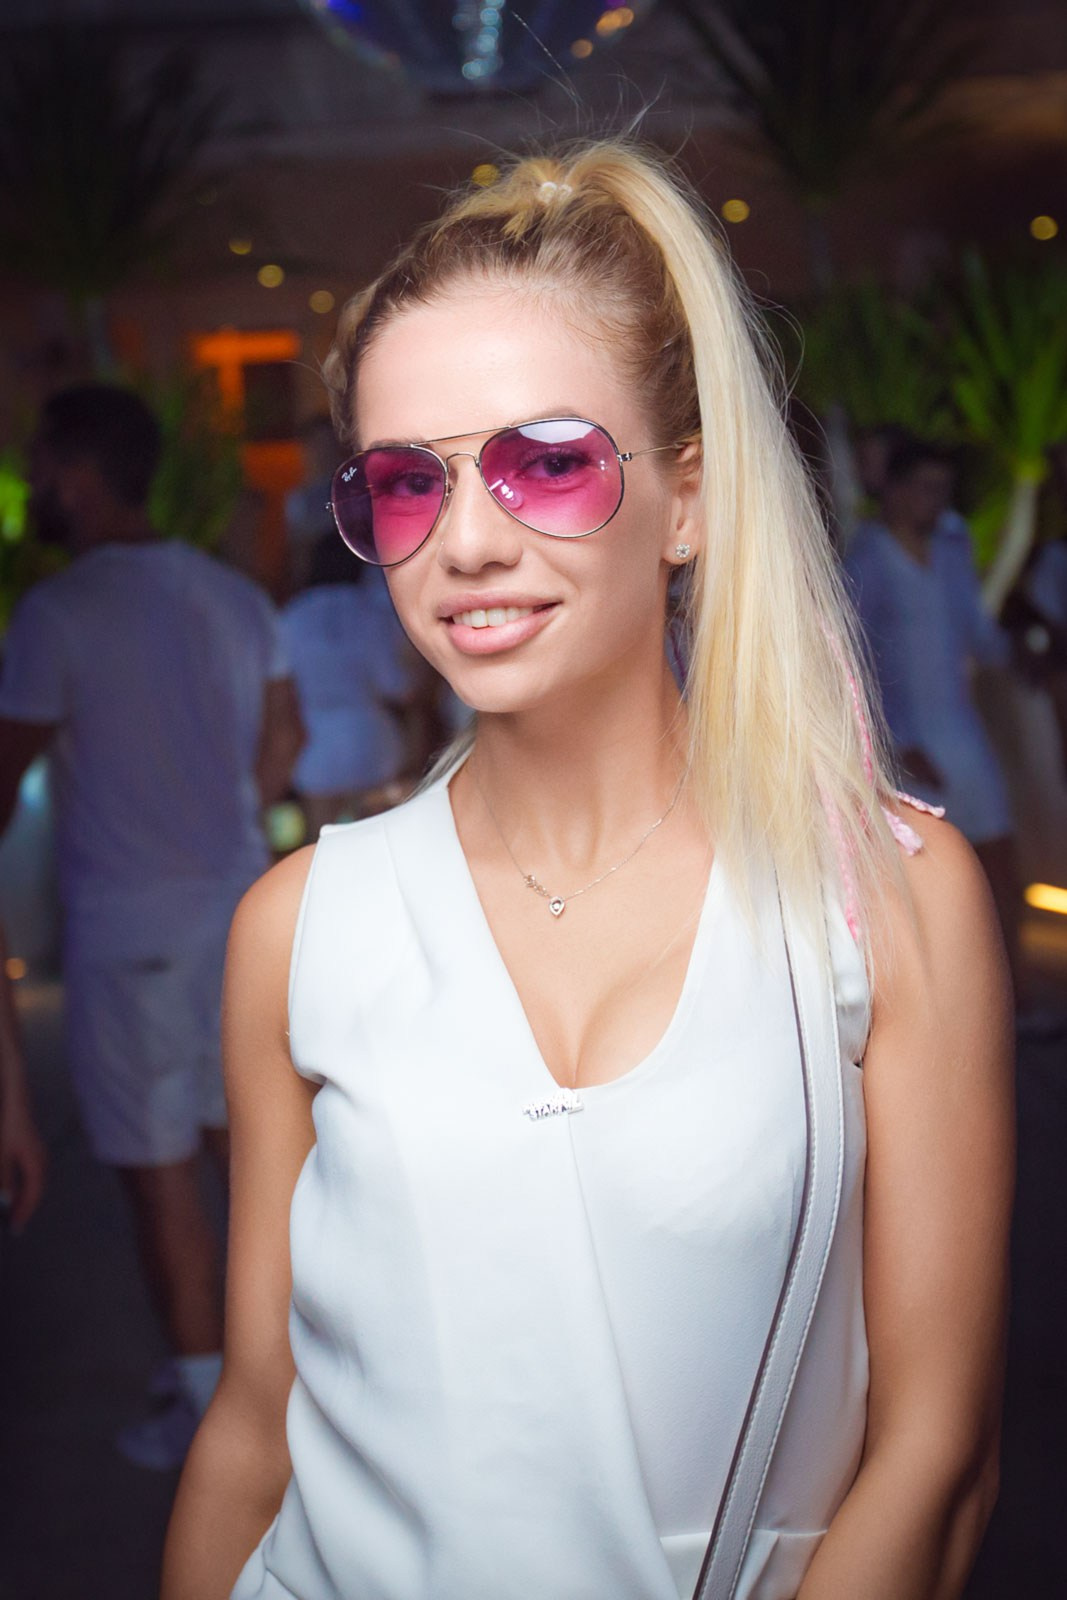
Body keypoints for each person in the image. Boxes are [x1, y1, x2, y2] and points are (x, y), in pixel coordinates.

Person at [163, 144, 1013, 1600]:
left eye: (545, 462)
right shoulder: (297, 928)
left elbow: (933, 1449)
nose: (465, 543)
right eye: (405, 483)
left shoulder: (886, 894)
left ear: (688, 501)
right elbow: (255, 1424)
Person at [0, 385, 305, 1469]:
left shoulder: (57, 613)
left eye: (41, 466)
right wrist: (216, 820)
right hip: (239, 915)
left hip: (132, 933)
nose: (35, 486)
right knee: (257, 1165)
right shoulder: (231, 594)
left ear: (79, 476)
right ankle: (299, 1399)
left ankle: (211, 1425)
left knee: (159, 1175)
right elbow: (286, 738)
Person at [844, 437, 1023, 1000]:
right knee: (924, 881)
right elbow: (851, 659)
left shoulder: (951, 548)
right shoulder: (867, 559)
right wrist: (896, 740)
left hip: (962, 733)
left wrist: (1026, 653)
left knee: (999, 860)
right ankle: (940, 1004)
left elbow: (977, 630)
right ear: (894, 491)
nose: (936, 500)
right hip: (904, 747)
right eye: (925, 488)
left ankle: (1013, 999)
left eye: (943, 489)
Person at [281, 532, 426, 834]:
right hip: (370, 742)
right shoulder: (370, 613)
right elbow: (396, 685)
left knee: (319, 842)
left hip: (315, 746)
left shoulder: (292, 616)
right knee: (378, 837)